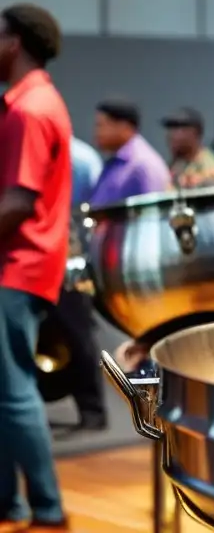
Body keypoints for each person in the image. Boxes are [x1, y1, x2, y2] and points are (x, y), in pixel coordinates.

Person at [0, 3, 70, 529]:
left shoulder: (30, 109)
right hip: (26, 266)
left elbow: (18, 202)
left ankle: (48, 509)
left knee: (15, 390)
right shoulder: (34, 101)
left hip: (16, 267)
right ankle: (11, 503)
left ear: (15, 42)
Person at [49, 137, 107, 432]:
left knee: (78, 332)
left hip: (68, 255)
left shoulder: (80, 158)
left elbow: (90, 212)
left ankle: (93, 409)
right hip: (44, 253)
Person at [90, 98, 172, 207]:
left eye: (101, 125)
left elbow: (150, 216)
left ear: (124, 127)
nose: (97, 133)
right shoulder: (117, 162)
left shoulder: (143, 165)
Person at [162, 107, 214, 189]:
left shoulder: (210, 167)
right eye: (171, 130)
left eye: (178, 129)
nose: (171, 136)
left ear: (195, 133)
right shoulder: (176, 164)